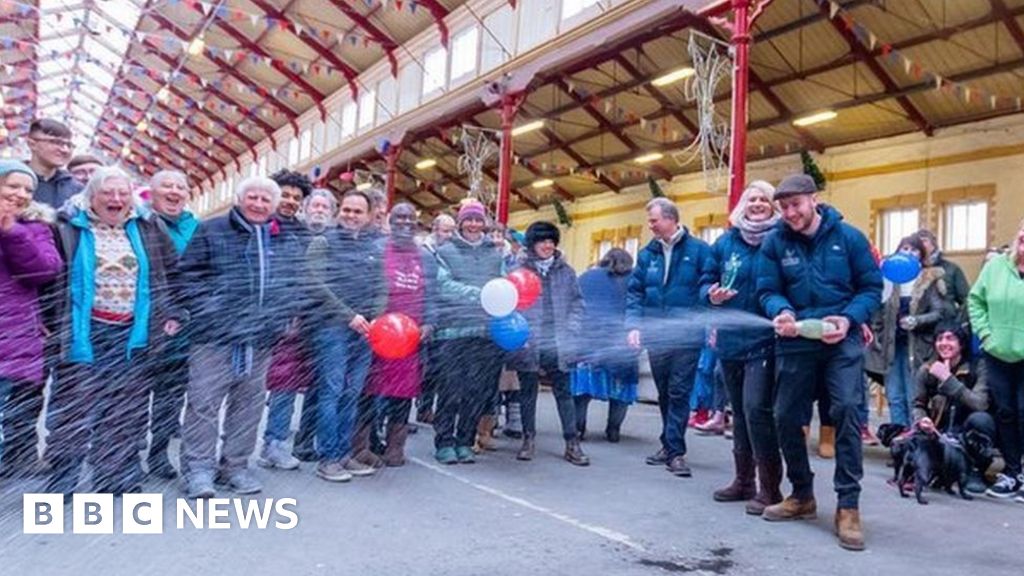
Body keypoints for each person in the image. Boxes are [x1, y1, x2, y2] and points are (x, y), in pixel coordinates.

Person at [757, 174, 882, 551]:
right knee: (784, 417)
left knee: (846, 410)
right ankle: (802, 495)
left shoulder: (850, 238)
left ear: (815, 200)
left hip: (839, 341)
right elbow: (767, 289)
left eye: (796, 205)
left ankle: (848, 507)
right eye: (784, 207)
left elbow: (871, 288)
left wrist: (849, 319)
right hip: (796, 342)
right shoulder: (775, 242)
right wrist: (781, 312)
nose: (790, 214)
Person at [46, 166, 183, 495]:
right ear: (91, 196)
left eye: (122, 193)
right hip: (83, 330)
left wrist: (176, 312)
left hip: (132, 334)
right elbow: (50, 278)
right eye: (107, 193)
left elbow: (173, 272)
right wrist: (48, 320)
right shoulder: (67, 226)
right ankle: (64, 476)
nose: (116, 199)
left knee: (125, 407)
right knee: (73, 406)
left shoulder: (149, 226)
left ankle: (114, 475)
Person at [178, 176, 303, 498]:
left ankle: (235, 465)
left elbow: (291, 284)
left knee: (248, 406)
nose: (259, 205)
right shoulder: (212, 229)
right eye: (253, 198)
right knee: (204, 404)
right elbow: (189, 276)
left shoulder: (281, 237)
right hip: (214, 337)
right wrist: (215, 311)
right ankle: (199, 470)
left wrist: (278, 318)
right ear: (239, 199)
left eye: (265, 200)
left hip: (259, 339)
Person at [700, 180, 783, 515]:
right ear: (742, 205)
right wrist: (711, 295)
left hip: (766, 341)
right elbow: (705, 281)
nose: (758, 204)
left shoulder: (780, 240)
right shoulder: (725, 243)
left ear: (773, 206)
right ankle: (743, 480)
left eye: (765, 199)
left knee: (756, 411)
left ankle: (770, 488)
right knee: (738, 410)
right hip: (731, 341)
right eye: (752, 199)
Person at [627, 197, 713, 477]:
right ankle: (668, 443)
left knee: (679, 390)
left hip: (686, 336)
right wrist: (634, 325)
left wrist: (706, 322)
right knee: (664, 390)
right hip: (656, 334)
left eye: (654, 220)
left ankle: (676, 452)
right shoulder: (646, 254)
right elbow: (635, 292)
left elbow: (707, 289)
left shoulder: (700, 251)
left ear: (671, 219)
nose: (650, 226)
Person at [306, 189, 383, 482]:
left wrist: (375, 316)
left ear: (367, 216)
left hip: (365, 332)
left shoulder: (372, 247)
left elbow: (381, 285)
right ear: (339, 211)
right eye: (347, 210)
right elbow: (316, 284)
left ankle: (343, 452)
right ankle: (328, 457)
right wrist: (348, 316)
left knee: (351, 395)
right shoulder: (323, 242)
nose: (351, 216)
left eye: (357, 211)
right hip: (332, 329)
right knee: (332, 392)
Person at [261, 189, 338, 470]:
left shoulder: (333, 239)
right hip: (291, 319)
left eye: (325, 206)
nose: (319, 210)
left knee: (314, 386)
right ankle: (274, 441)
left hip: (321, 323)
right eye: (314, 205)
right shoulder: (292, 234)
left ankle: (303, 441)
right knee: (284, 383)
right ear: (306, 209)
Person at [360, 203, 438, 467]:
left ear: (416, 223)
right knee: (369, 391)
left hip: (410, 338)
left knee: (402, 394)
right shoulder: (378, 249)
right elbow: (367, 288)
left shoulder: (426, 256)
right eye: (399, 217)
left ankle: (395, 447)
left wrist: (429, 322)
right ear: (391, 222)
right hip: (378, 335)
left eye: (410, 218)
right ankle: (364, 445)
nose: (405, 222)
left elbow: (432, 295)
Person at [0, 161, 62, 476]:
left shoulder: (36, 228)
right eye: (12, 185)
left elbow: (43, 271)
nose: (21, 194)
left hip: (13, 335)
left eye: (28, 189)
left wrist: (11, 232)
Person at [432, 200, 506, 465]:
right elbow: (443, 286)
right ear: (460, 223)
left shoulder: (495, 255)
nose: (474, 224)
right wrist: (480, 295)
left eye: (478, 219)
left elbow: (504, 284)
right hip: (452, 332)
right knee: (451, 389)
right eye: (469, 220)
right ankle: (444, 442)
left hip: (485, 332)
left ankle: (464, 440)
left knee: (476, 391)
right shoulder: (446, 251)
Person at [511, 221, 587, 465]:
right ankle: (528, 439)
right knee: (528, 392)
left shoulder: (567, 271)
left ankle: (572, 443)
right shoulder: (518, 271)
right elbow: (510, 305)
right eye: (543, 241)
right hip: (529, 341)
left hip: (558, 341)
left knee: (564, 392)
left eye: (552, 241)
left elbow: (577, 304)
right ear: (532, 244)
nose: (548, 246)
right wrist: (517, 335)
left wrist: (573, 330)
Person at [143, 170, 200, 479]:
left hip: (183, 325)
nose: (174, 191)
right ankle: (124, 450)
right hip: (141, 322)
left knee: (170, 394)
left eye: (181, 187)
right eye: (167, 185)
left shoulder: (197, 228)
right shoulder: (138, 223)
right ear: (152, 192)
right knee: (134, 393)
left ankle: (159, 452)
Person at [866, 235, 949, 428]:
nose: (909, 253)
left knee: (914, 395)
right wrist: (876, 334)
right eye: (905, 248)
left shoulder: (930, 279)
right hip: (891, 344)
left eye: (914, 250)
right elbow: (877, 310)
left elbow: (939, 312)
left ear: (921, 255)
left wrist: (917, 321)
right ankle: (898, 440)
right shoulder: (888, 278)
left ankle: (915, 440)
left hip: (918, 346)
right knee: (894, 395)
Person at [968, 217, 1024, 501]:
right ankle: (1013, 473)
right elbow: (975, 301)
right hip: (997, 352)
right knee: (1005, 412)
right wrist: (986, 335)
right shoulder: (995, 268)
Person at [912, 322, 994, 494]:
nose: (944, 343)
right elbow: (917, 404)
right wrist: (922, 419)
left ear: (961, 344)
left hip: (967, 430)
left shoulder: (977, 367)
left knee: (982, 420)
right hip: (940, 430)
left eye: (950, 338)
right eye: (939, 339)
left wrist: (948, 380)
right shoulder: (927, 370)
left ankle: (975, 471)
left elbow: (981, 403)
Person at [573, 248, 638, 444]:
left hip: (588, 341)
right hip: (621, 344)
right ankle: (613, 430)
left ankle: (579, 428)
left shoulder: (587, 277)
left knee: (582, 391)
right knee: (620, 391)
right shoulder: (634, 280)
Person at [417, 213, 456, 424]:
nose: (449, 235)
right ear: (435, 230)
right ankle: (424, 406)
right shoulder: (426, 253)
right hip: (429, 314)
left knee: (442, 366)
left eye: (452, 231)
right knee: (430, 367)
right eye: (445, 230)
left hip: (447, 315)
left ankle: (436, 408)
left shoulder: (452, 253)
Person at [25, 119, 82, 210]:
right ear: (32, 144)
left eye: (69, 145)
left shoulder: (76, 189)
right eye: (56, 142)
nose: (65, 150)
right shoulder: (10, 180)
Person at [916, 228, 970, 323]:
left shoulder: (951, 269)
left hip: (945, 325)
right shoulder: (912, 271)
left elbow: (966, 300)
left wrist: (958, 322)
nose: (920, 244)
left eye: (924, 240)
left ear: (934, 244)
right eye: (917, 242)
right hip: (917, 326)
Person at [270, 169, 312, 235]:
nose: (291, 201)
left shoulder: (304, 233)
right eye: (285, 195)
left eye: (296, 198)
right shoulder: (258, 225)